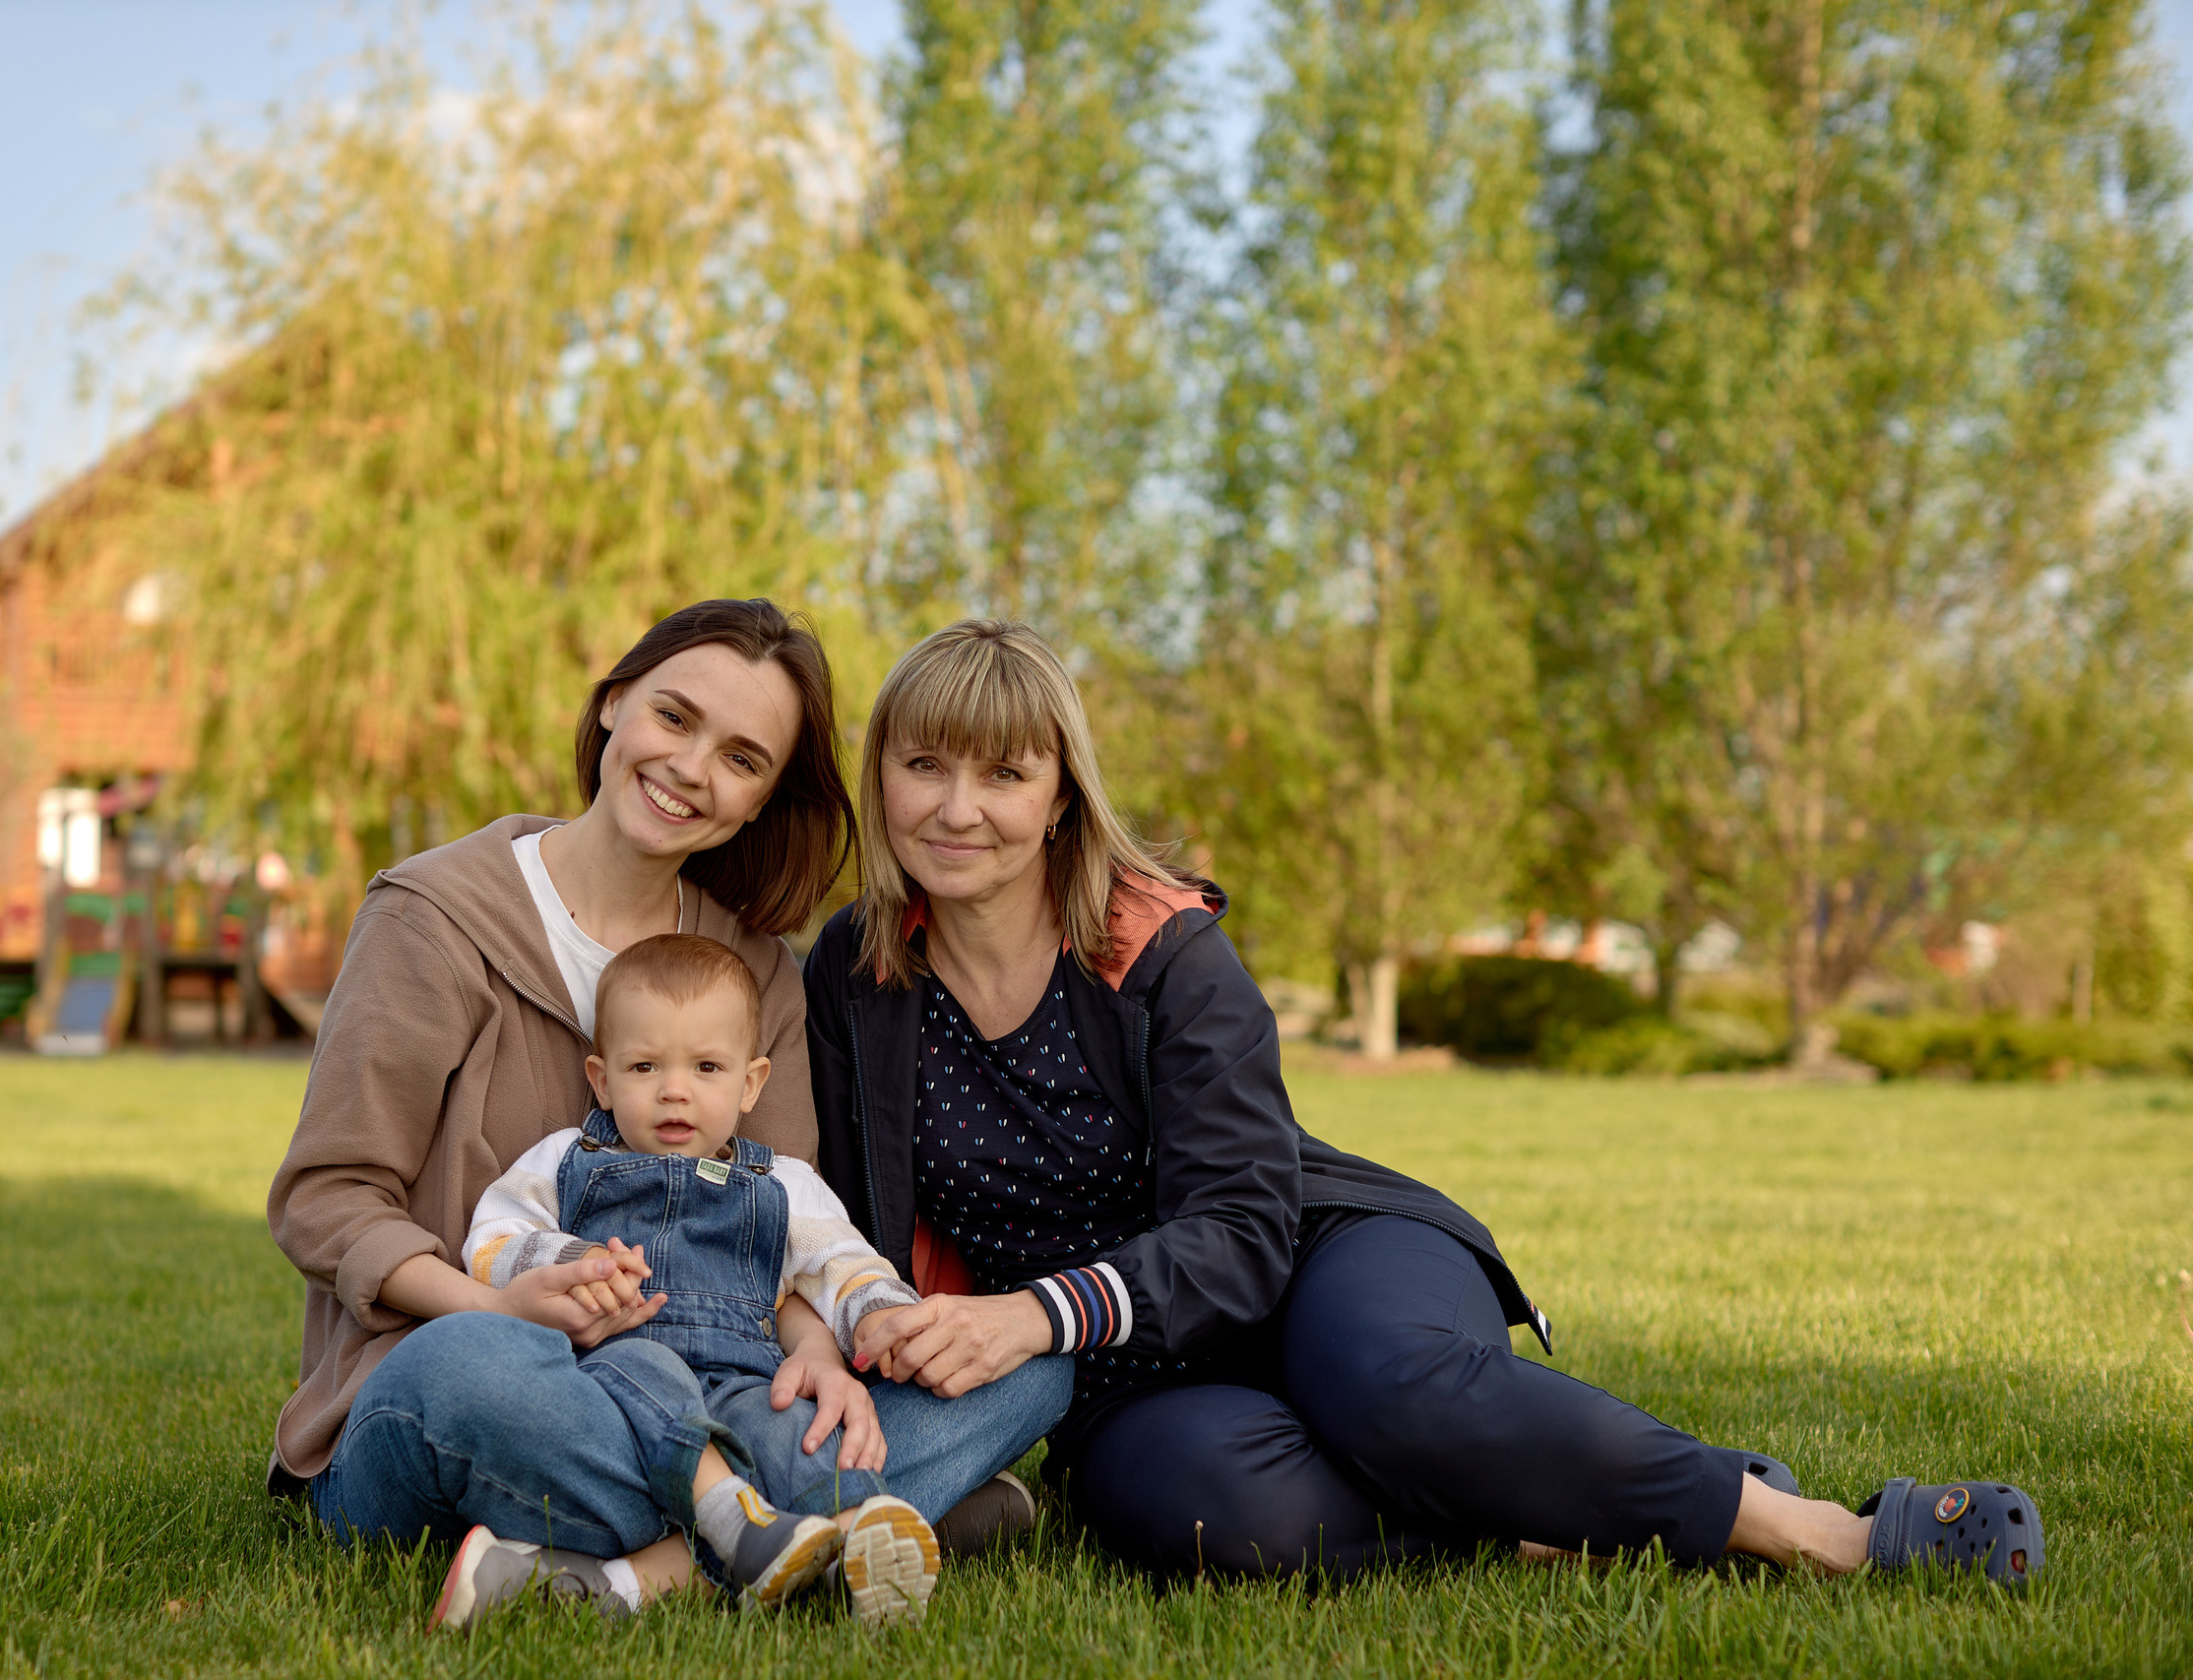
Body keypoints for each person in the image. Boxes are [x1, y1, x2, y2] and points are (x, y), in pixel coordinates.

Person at [805, 619, 2043, 1590]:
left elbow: (1241, 1229)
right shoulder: (854, 972)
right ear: (884, 775)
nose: (955, 809)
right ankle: (1544, 1514)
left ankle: (1806, 1524)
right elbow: (858, 1217)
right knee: (1203, 1514)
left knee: (1389, 1388)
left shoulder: (1166, 952)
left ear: (1060, 795)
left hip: (1310, 1258)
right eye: (923, 766)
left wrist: (1032, 1314)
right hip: (1121, 1373)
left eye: (1001, 774)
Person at [267, 599, 1070, 1627]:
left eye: (742, 758)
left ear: (760, 801)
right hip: (475, 1378)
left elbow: (775, 1224)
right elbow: (328, 1201)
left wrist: (818, 1356)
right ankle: (864, 1512)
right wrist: (502, 1307)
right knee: (474, 1373)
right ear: (611, 707)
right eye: (674, 718)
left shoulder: (754, 973)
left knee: (1028, 1369)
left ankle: (640, 1569)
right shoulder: (435, 919)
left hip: (721, 1381)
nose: (693, 768)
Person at [433, 933, 940, 1628]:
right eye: (644, 1065)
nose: (675, 1089)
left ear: (751, 1082)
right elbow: (491, 1237)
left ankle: (862, 1535)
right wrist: (569, 1260)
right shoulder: (567, 1159)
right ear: (602, 1078)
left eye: (707, 1066)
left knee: (801, 1426)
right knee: (643, 1365)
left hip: (747, 1377)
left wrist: (878, 1316)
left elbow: (840, 1263)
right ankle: (732, 1517)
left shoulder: (782, 1183)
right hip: (621, 1367)